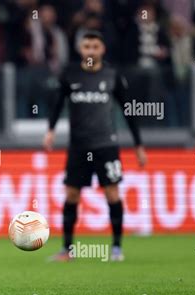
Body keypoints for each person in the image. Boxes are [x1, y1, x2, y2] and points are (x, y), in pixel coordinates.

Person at [43, 31, 147, 262]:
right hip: (78, 146)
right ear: (81, 49)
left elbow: (128, 110)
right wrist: (50, 130)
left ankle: (117, 248)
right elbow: (58, 104)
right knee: (71, 194)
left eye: (95, 47)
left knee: (112, 193)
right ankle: (67, 250)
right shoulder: (70, 74)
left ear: (102, 50)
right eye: (87, 46)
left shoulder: (112, 75)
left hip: (106, 145)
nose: (90, 51)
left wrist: (138, 145)